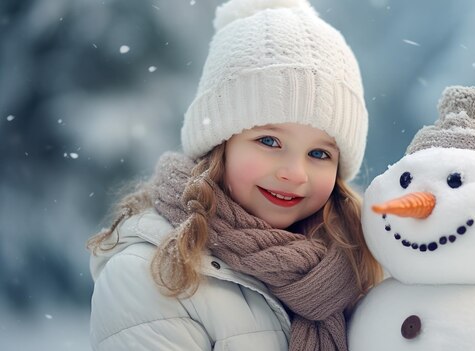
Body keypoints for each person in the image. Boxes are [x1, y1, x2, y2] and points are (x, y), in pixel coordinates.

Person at [87, 0, 383, 350]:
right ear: (219, 144)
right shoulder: (151, 274)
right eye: (269, 141)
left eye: (319, 153)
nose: (294, 172)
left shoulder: (357, 265)